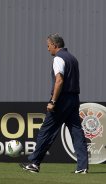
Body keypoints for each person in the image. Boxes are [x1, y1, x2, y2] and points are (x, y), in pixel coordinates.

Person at [19, 33, 89, 174]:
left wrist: (53, 101)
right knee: (76, 132)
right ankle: (82, 167)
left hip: (62, 100)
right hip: (74, 98)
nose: (48, 48)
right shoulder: (73, 58)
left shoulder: (59, 58)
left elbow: (59, 80)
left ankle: (34, 163)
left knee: (46, 131)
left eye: (48, 45)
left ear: (55, 45)